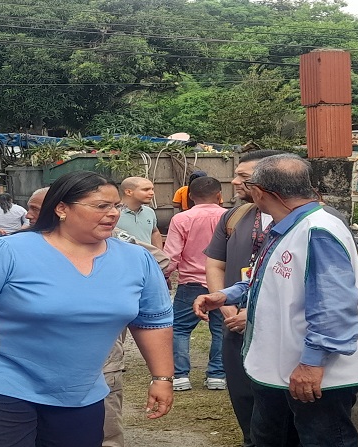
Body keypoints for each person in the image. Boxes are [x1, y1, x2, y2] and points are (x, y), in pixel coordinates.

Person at [0, 171, 174, 447]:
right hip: (2, 387)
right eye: (101, 206)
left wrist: (162, 378)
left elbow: (153, 320)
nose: (113, 213)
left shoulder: (136, 258)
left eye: (116, 206)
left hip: (83, 392)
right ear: (62, 208)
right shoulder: (7, 252)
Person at [194, 154, 358, 447]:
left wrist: (312, 363)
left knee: (323, 439)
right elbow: (265, 277)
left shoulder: (317, 230)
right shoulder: (284, 225)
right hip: (281, 367)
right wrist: (225, 295)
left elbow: (334, 306)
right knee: (269, 437)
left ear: (260, 192)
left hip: (315, 374)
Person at [24, 184, 167, 447]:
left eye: (35, 209)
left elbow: (160, 263)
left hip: (100, 364)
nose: (29, 216)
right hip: (26, 374)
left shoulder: (118, 243)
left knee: (104, 433)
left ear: (59, 209)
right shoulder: (16, 246)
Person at [202, 149, 283, 446]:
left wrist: (257, 312)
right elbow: (215, 264)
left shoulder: (306, 221)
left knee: (282, 418)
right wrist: (224, 303)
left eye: (244, 177)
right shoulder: (234, 216)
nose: (234, 181)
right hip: (235, 326)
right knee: (245, 406)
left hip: (279, 333)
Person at [163, 176, 227, 392]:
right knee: (221, 329)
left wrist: (164, 276)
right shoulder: (229, 217)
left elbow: (171, 254)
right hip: (223, 284)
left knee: (180, 329)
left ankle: (180, 376)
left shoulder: (181, 219)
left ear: (189, 196)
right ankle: (217, 375)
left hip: (191, 283)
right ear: (220, 195)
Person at [117, 177, 163, 248]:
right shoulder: (113, 213)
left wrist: (159, 254)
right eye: (146, 190)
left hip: (146, 258)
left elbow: (154, 232)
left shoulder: (149, 212)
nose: (152, 193)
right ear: (129, 192)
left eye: (152, 189)